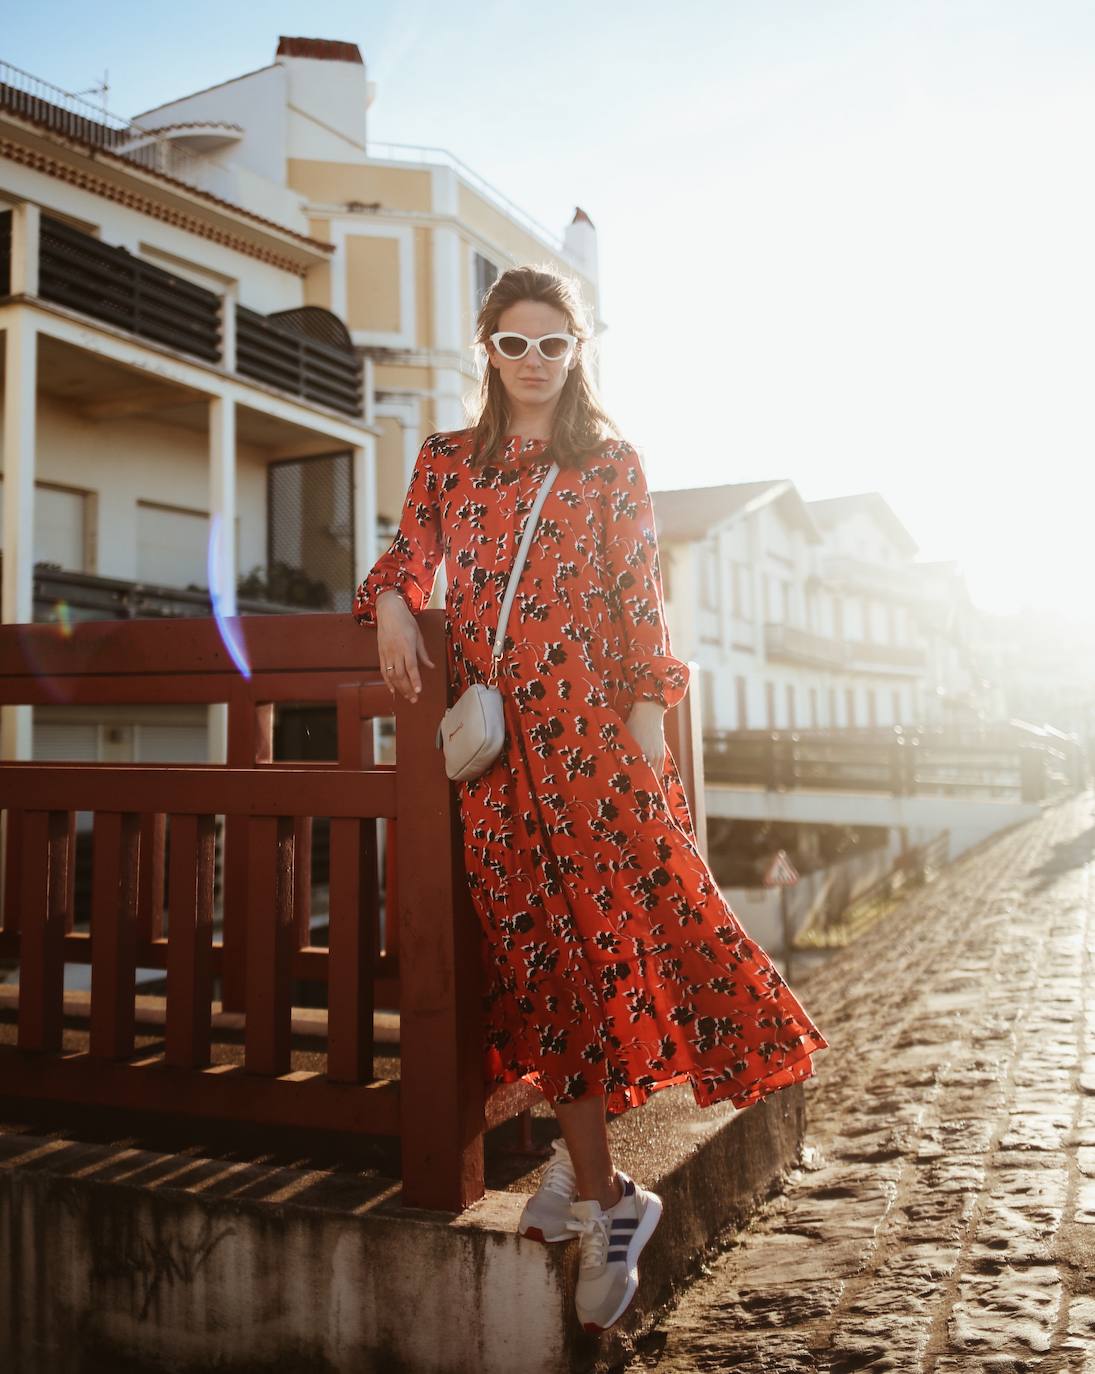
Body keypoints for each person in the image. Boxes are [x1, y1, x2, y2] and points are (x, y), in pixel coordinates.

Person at [352, 264, 829, 1333]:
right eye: (513, 344)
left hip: (591, 750)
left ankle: (597, 1184)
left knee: (609, 948)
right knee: (532, 955)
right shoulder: (444, 462)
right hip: (497, 757)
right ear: (486, 348)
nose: (532, 362)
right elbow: (408, 558)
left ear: (578, 351)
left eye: (552, 345)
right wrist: (390, 603)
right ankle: (605, 1182)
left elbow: (636, 598)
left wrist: (652, 720)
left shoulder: (610, 465)